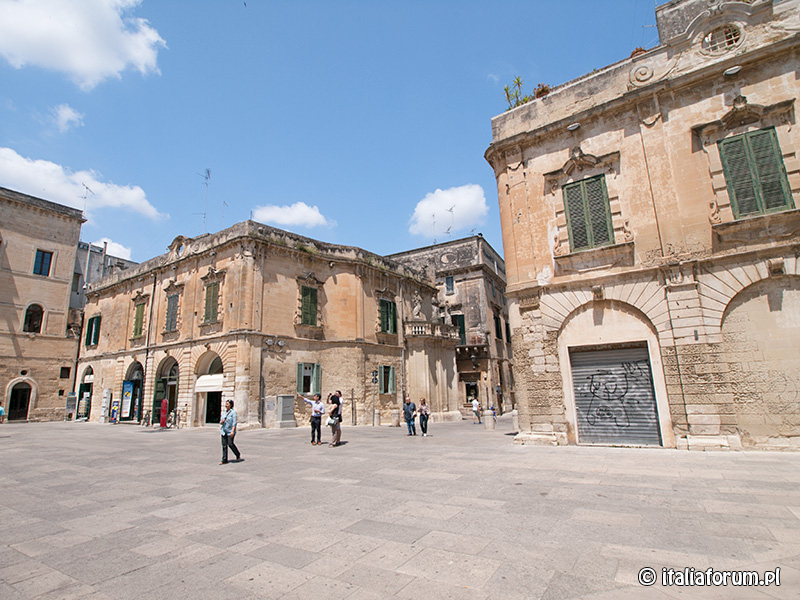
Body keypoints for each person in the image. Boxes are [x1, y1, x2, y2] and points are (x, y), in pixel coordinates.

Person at [219, 399, 242, 464]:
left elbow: (234, 423)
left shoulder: (233, 413)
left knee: (230, 444)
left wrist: (232, 431)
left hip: (230, 431)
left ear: (230, 405)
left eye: (227, 404)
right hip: (223, 431)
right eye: (226, 404)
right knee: (224, 445)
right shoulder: (224, 412)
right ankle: (224, 460)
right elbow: (220, 422)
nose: (226, 405)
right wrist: (222, 422)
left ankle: (237, 454)